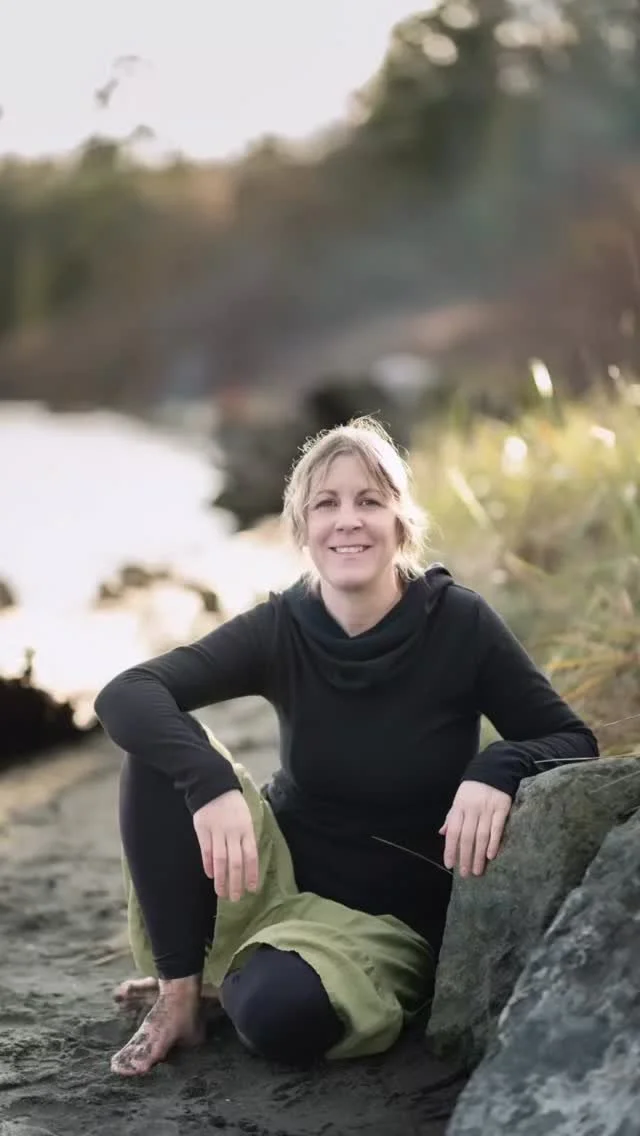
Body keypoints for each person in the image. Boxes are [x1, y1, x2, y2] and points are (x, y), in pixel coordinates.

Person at [95, 416, 599, 1078]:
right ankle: (182, 995)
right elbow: (128, 693)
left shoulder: (458, 623)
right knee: (158, 752)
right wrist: (209, 782)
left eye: (369, 500)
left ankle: (239, 981)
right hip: (270, 877)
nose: (348, 521)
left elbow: (573, 739)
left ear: (401, 521)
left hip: (383, 924)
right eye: (326, 504)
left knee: (275, 1015)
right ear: (303, 528)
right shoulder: (283, 625)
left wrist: (497, 766)